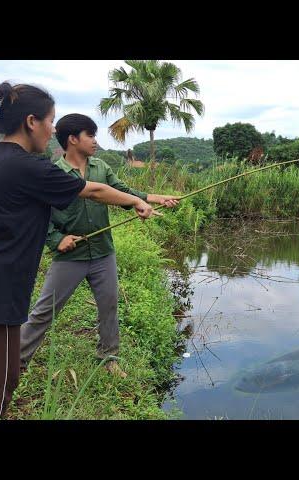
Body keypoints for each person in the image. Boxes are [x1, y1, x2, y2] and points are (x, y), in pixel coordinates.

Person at [0, 82, 160, 420]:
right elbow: (92, 191)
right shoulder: (31, 167)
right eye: (50, 121)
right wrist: (137, 201)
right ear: (31, 121)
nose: (53, 131)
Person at [20, 113, 179, 377]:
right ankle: (18, 360)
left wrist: (153, 198)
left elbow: (122, 191)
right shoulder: (53, 173)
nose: (95, 141)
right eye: (90, 135)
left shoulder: (101, 168)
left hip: (103, 252)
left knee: (109, 305)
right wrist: (57, 239)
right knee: (44, 311)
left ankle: (109, 357)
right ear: (72, 139)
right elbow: (38, 216)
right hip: (71, 256)